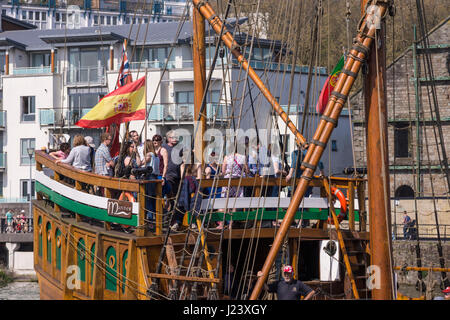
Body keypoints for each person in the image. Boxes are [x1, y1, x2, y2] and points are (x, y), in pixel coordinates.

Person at [161, 130, 182, 213]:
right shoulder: (164, 147)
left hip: (177, 175)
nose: (176, 139)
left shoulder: (180, 148)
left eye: (177, 137)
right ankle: (166, 215)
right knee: (169, 197)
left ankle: (171, 216)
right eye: (173, 137)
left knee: (175, 198)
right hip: (167, 175)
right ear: (168, 138)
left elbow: (183, 162)